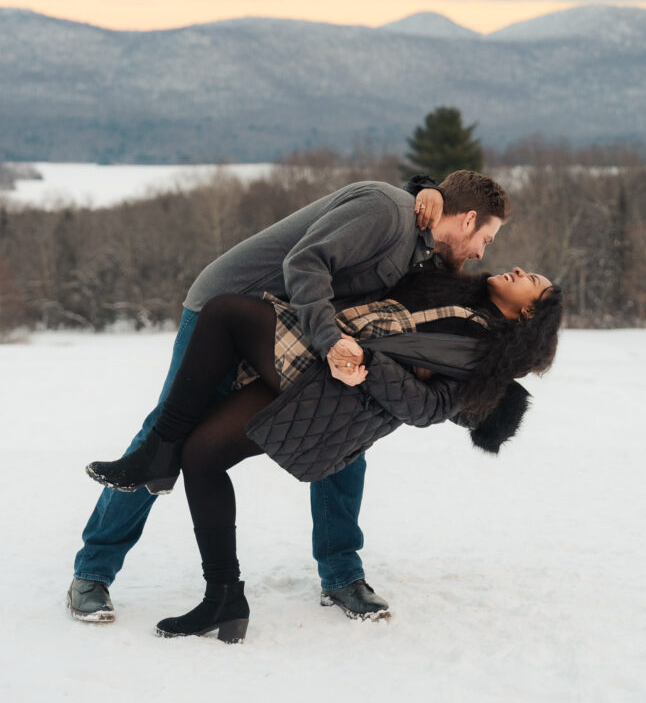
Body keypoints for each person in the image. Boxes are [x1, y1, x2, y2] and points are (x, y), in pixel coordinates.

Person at [68, 171, 510, 624]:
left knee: (345, 443)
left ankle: (341, 575)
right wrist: (330, 343)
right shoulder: (387, 211)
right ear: (469, 218)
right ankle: (93, 571)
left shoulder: (423, 248)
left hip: (289, 331)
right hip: (227, 313)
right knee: (166, 434)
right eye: (487, 239)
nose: (481, 253)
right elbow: (307, 263)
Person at [86, 266, 562, 642]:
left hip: (336, 390)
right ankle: (224, 597)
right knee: (201, 454)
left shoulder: (485, 359)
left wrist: (370, 363)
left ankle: (158, 448)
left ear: (527, 316)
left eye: (533, 282)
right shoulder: (457, 291)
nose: (520, 270)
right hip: (324, 370)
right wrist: (427, 192)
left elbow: (426, 409)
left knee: (226, 312)